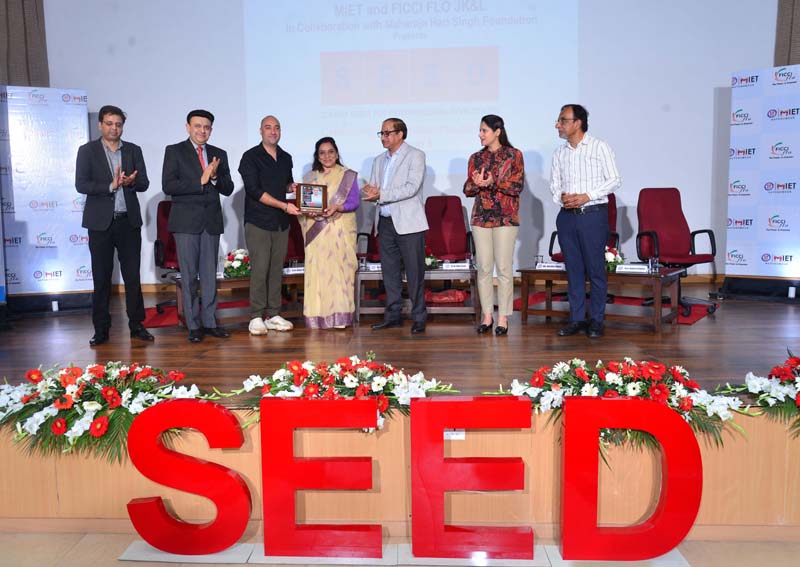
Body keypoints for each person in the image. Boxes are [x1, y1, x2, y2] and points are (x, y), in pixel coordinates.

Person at [75, 105, 153, 347]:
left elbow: (144, 183)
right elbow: (81, 184)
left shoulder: (133, 150)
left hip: (128, 222)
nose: (114, 128)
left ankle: (137, 324)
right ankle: (101, 329)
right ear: (100, 125)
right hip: (100, 224)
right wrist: (110, 186)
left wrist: (131, 182)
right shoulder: (87, 151)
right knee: (101, 278)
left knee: (132, 277)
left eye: (118, 124)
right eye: (109, 123)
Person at [162, 109, 234, 343]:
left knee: (209, 277)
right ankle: (193, 325)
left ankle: (211, 321)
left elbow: (228, 187)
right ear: (188, 127)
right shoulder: (174, 151)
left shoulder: (219, 153)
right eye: (198, 126)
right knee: (190, 276)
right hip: (186, 223)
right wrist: (200, 180)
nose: (202, 130)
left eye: (207, 127)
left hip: (210, 222)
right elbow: (169, 185)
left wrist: (213, 178)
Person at [550, 104, 621, 338]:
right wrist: (562, 197)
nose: (557, 125)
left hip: (592, 214)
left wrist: (586, 196)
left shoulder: (599, 147)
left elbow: (614, 180)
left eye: (563, 120)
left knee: (595, 269)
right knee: (574, 270)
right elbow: (554, 184)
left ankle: (597, 320)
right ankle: (577, 318)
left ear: (577, 122)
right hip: (567, 217)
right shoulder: (559, 153)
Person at [362, 118, 428, 334]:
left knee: (414, 272)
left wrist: (381, 194)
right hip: (385, 221)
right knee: (389, 273)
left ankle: (419, 317)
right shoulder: (378, 160)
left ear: (400, 134)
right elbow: (376, 189)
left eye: (387, 132)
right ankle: (393, 316)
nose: (383, 137)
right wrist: (370, 193)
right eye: (381, 133)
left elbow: (411, 188)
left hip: (409, 223)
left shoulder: (416, 155)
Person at [238, 115, 300, 336]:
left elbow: (284, 184)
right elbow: (254, 191)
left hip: (281, 223)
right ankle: (256, 316)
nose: (273, 131)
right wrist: (284, 205)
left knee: (276, 270)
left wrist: (293, 187)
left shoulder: (285, 157)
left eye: (277, 128)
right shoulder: (250, 157)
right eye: (268, 128)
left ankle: (273, 314)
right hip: (259, 221)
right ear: (260, 131)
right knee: (260, 269)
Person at [463, 114, 524, 336]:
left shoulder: (514, 155)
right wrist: (475, 183)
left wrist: (493, 181)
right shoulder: (475, 158)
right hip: (481, 217)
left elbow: (517, 186)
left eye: (484, 131)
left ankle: (503, 317)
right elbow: (467, 189)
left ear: (497, 131)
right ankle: (487, 315)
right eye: (480, 131)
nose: (480, 135)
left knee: (505, 268)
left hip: (506, 217)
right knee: (484, 268)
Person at [299, 137, 360, 329]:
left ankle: (340, 318)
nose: (327, 156)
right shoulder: (310, 177)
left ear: (337, 153)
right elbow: (306, 204)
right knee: (318, 271)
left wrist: (338, 207)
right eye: (322, 153)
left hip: (340, 230)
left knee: (340, 272)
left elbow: (355, 202)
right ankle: (317, 317)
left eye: (330, 152)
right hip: (317, 233)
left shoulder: (348, 176)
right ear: (317, 156)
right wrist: (307, 210)